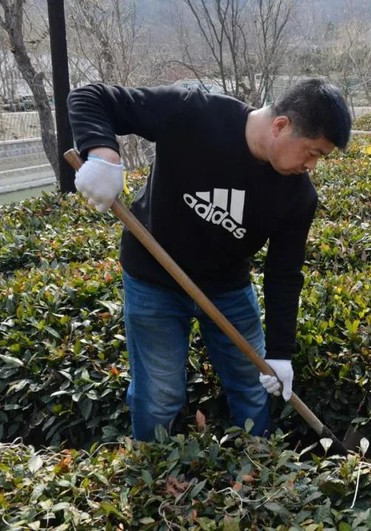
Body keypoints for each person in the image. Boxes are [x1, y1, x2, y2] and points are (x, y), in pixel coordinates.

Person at [67, 78, 352, 441]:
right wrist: (102, 153)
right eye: (312, 152)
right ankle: (156, 479)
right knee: (159, 396)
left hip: (227, 288)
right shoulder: (194, 113)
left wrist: (281, 353)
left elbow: (284, 274)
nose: (312, 165)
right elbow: (89, 96)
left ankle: (259, 471)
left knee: (252, 388)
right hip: (153, 280)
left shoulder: (298, 197)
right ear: (281, 126)